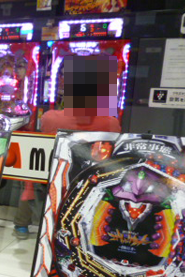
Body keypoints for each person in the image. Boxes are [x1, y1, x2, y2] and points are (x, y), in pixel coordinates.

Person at [13, 54, 122, 239]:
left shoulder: (50, 117)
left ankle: (21, 225)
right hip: (88, 178)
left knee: (33, 174)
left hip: (53, 174)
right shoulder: (111, 122)